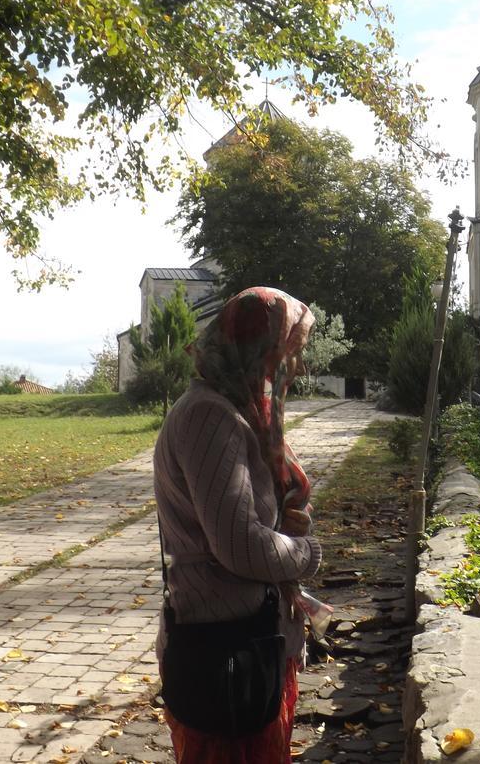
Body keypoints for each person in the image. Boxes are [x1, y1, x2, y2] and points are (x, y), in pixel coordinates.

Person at [153, 287, 321, 763]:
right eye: (291, 353)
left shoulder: (233, 412)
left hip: (242, 638)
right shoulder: (211, 417)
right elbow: (240, 544)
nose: (299, 368)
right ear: (258, 350)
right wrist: (307, 554)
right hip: (224, 649)